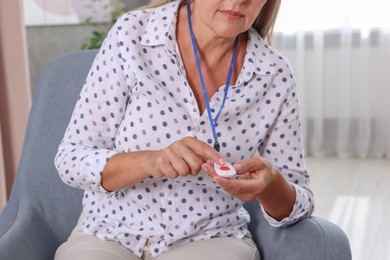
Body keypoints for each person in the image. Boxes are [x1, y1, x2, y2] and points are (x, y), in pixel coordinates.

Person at [54, 0, 315, 259]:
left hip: (211, 238)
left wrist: (270, 184)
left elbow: (299, 203)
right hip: (108, 232)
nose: (238, 1)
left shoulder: (274, 74)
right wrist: (152, 162)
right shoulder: (133, 33)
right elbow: (71, 159)